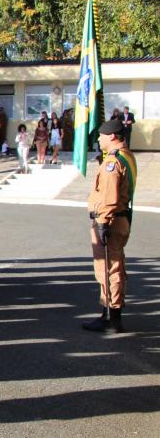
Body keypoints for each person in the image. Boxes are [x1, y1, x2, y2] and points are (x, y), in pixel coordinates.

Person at [82, 118, 136, 334]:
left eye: (101, 136)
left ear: (112, 136)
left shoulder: (112, 163)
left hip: (110, 220)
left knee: (108, 269)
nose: (99, 139)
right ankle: (111, 314)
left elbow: (110, 197)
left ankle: (111, 318)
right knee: (115, 267)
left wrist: (102, 223)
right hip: (120, 218)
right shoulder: (126, 155)